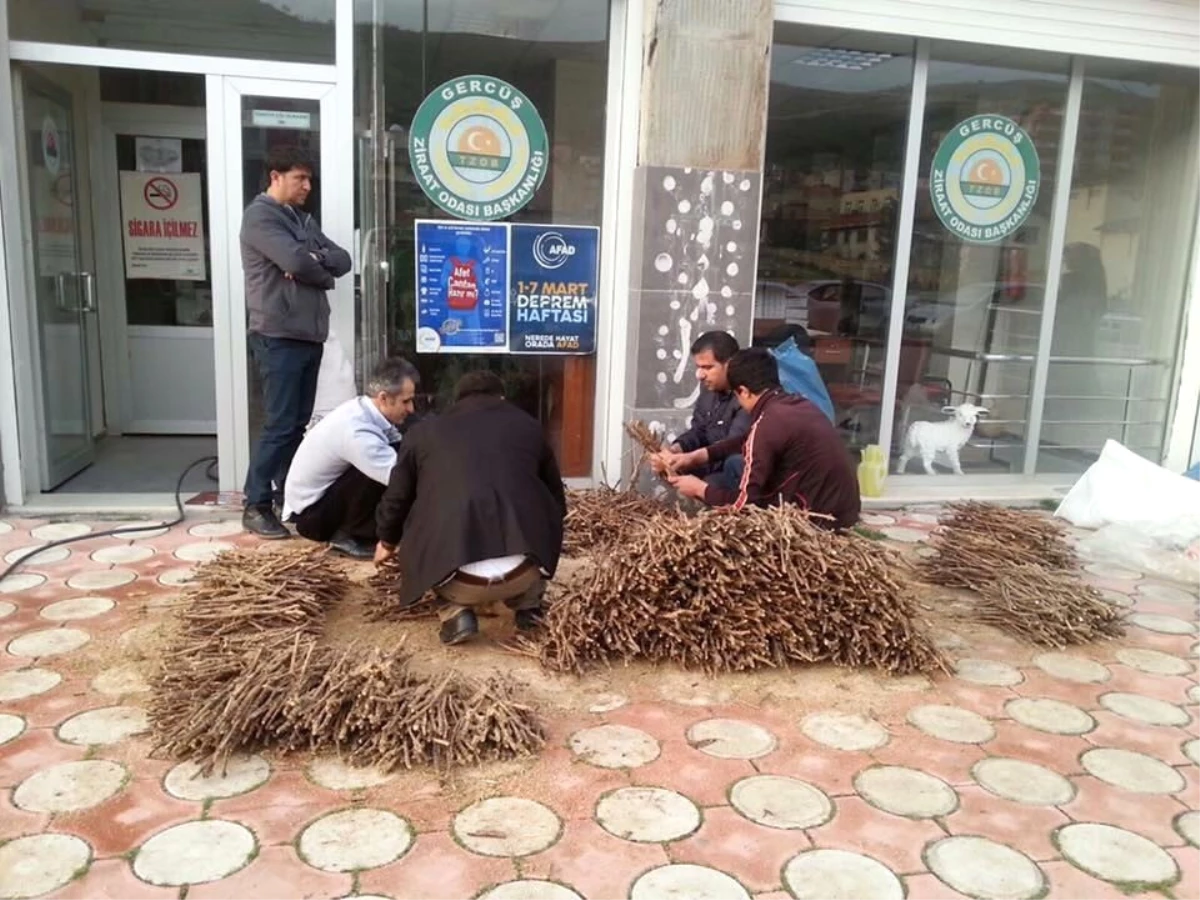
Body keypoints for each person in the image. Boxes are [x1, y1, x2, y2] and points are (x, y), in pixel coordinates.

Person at [374, 371, 567, 646]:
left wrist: (387, 540)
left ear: (458, 400)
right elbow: (557, 501)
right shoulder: (530, 427)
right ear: (501, 398)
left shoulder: (424, 434)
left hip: (457, 581)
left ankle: (456, 612)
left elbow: (397, 498)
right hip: (524, 572)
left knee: (421, 518)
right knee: (535, 510)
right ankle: (528, 604)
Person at [240, 146, 352, 539]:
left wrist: (312, 260)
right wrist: (313, 265)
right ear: (275, 176)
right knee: (280, 423)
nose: (307, 186)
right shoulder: (259, 218)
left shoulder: (301, 220)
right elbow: (300, 264)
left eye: (309, 179)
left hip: (308, 334)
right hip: (278, 334)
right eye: (299, 178)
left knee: (298, 423)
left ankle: (286, 496)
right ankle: (255, 503)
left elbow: (342, 259)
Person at [656, 347, 861, 530]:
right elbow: (745, 440)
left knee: (724, 489)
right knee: (735, 468)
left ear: (743, 391)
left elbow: (744, 503)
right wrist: (695, 457)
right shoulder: (797, 404)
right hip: (845, 511)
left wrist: (700, 489)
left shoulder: (768, 421)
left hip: (818, 521)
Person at [282, 358, 419, 559]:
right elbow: (401, 478)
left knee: (398, 454)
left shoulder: (365, 410)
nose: (411, 409)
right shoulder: (356, 430)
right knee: (391, 472)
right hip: (313, 517)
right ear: (383, 398)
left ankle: (362, 528)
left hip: (323, 502)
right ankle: (346, 535)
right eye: (405, 401)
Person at [660, 331, 752, 490]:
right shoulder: (709, 390)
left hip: (736, 473)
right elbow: (699, 430)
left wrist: (690, 462)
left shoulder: (747, 397)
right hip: (710, 463)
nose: (700, 375)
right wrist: (677, 448)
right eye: (698, 367)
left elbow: (732, 448)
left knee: (715, 480)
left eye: (708, 367)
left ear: (730, 364)